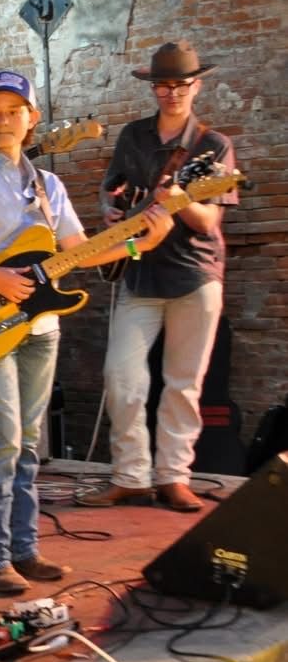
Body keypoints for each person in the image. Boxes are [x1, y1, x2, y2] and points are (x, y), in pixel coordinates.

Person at [0, 71, 173, 595]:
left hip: (41, 327)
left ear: (31, 119)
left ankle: (24, 550)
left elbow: (77, 250)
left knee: (29, 443)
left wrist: (137, 244)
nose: (4, 119)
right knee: (4, 441)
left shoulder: (48, 185)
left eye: (15, 110)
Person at [77, 42, 237, 513]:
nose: (172, 93)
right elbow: (111, 188)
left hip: (195, 273)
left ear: (196, 86)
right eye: (163, 85)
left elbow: (208, 222)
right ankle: (130, 476)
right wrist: (110, 210)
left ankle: (174, 477)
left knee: (183, 383)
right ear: (153, 87)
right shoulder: (133, 135)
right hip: (139, 270)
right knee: (121, 376)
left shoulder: (213, 145)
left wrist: (178, 199)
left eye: (181, 84)